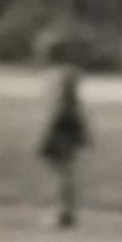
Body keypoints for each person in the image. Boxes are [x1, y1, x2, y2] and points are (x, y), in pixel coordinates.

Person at [36, 61, 91, 228]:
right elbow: (81, 128)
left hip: (59, 142)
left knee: (60, 178)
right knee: (65, 177)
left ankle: (61, 214)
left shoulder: (63, 106)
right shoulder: (73, 105)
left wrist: (44, 141)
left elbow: (55, 124)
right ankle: (66, 213)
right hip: (67, 143)